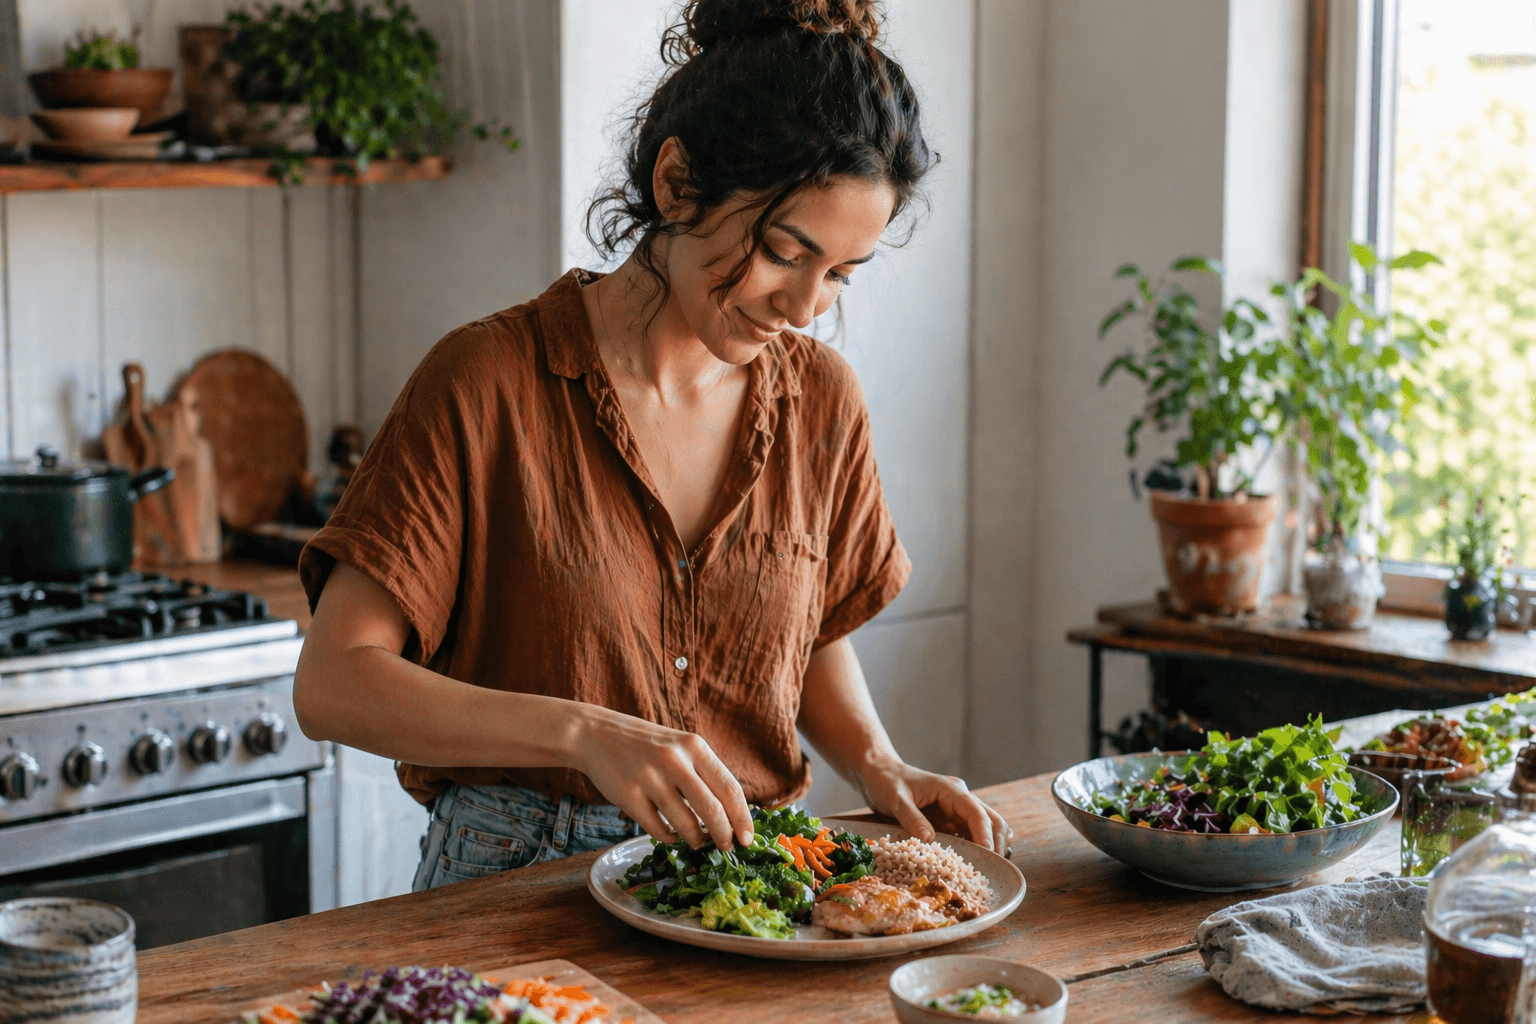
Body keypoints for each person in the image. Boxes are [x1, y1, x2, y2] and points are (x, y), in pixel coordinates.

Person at [293, 0, 1011, 892]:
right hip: (516, 879)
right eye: (787, 252)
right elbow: (335, 682)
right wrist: (582, 732)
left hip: (753, 884)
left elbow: (805, 630)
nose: (804, 306)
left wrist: (877, 762)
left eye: (840, 275)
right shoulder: (485, 380)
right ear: (677, 184)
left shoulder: (822, 400)